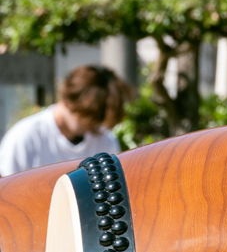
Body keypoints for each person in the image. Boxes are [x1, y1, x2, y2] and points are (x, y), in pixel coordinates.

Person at [0, 63, 131, 175]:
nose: (93, 126)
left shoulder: (104, 139)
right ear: (70, 101)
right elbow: (7, 190)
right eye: (90, 117)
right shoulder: (25, 137)